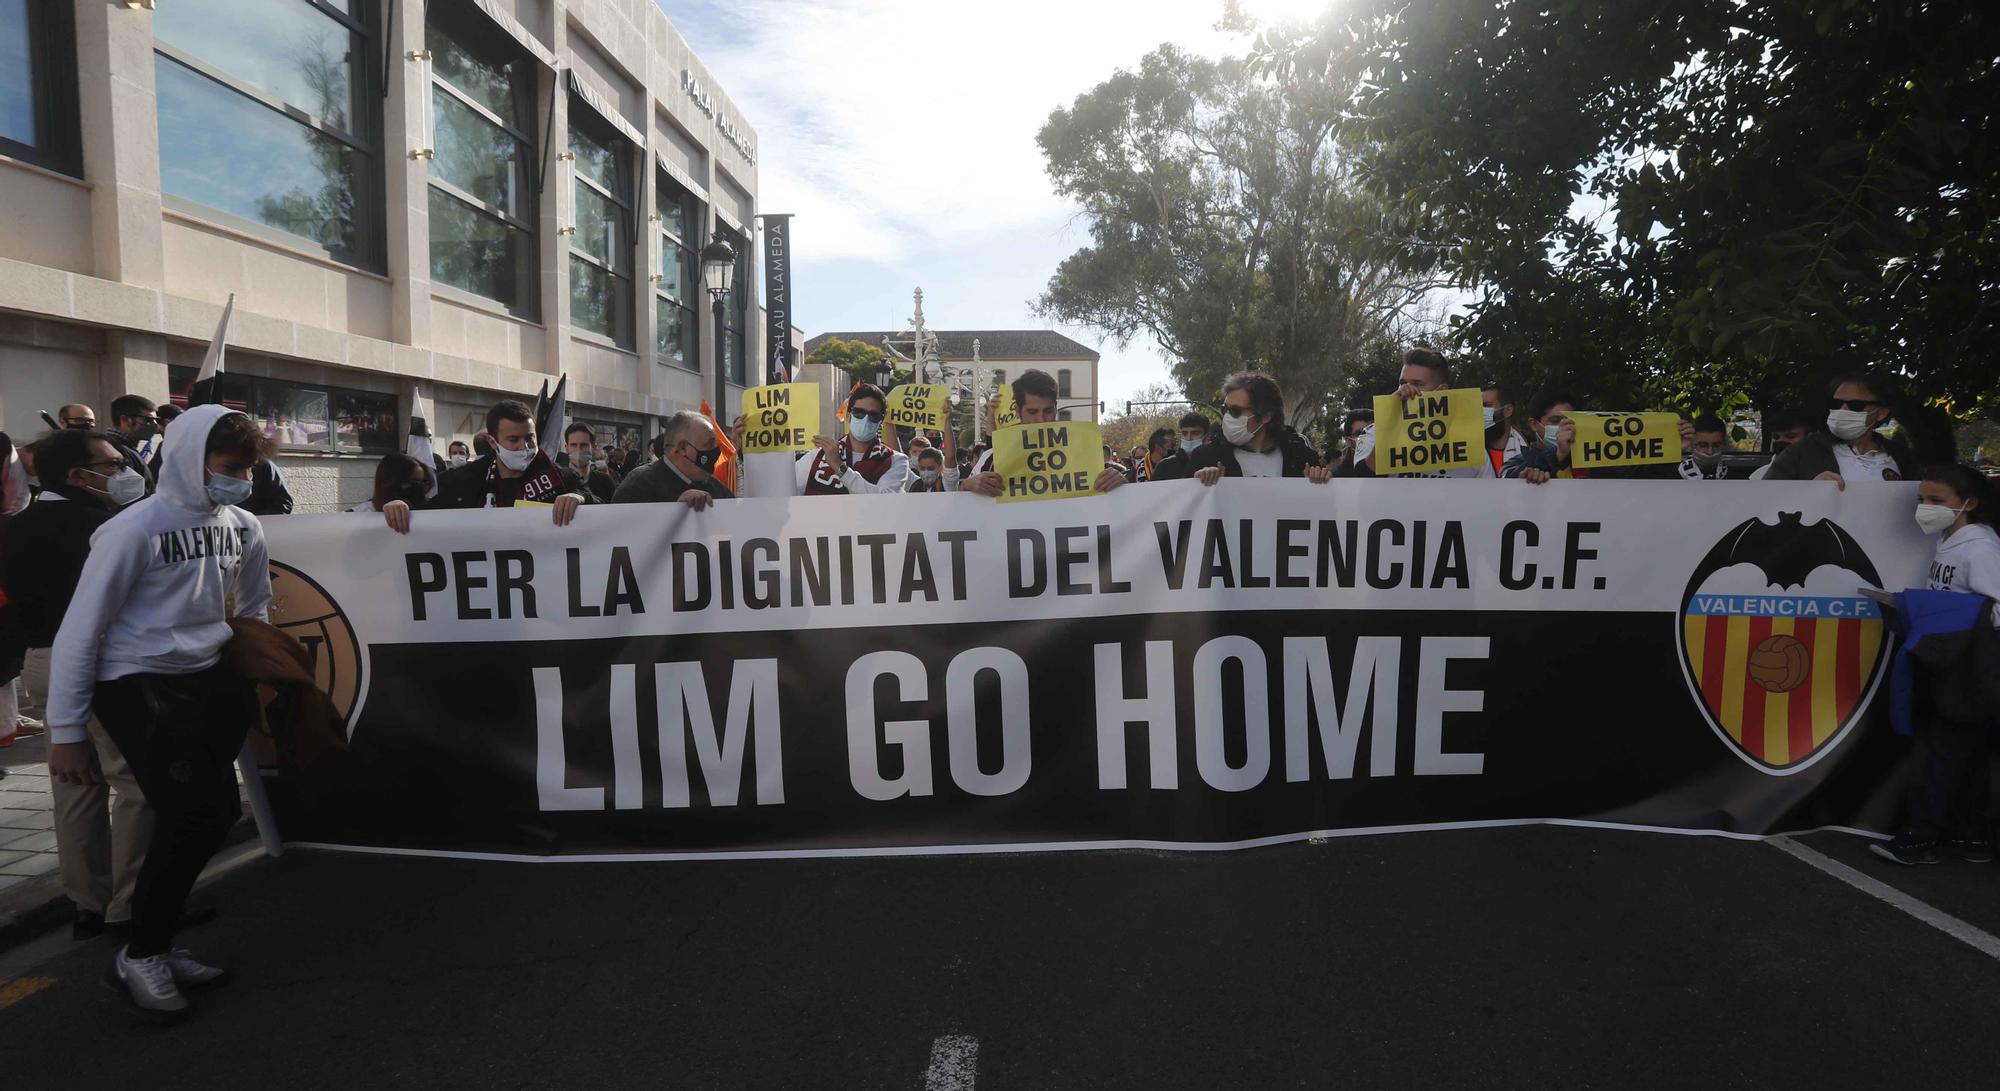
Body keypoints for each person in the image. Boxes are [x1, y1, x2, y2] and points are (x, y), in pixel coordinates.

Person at [48, 405, 273, 1016]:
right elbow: (80, 631)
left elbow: (254, 606)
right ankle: (141, 953)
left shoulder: (244, 524)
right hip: (137, 683)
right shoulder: (132, 530)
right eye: (231, 467)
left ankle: (154, 943)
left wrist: (258, 673)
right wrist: (65, 730)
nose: (242, 479)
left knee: (209, 815)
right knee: (194, 815)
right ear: (190, 459)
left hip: (209, 679)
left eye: (249, 468)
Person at [0, 429, 154, 940]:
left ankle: (87, 902)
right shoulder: (104, 527)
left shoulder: (17, 526)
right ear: (77, 476)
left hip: (41, 661)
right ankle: (132, 905)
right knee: (134, 783)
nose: (124, 473)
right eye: (111, 465)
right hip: (99, 661)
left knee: (75, 784)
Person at [1870, 465, 2000, 866]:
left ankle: (1921, 835)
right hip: (1948, 660)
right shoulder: (1949, 541)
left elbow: (1996, 608)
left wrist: (1941, 613)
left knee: (1940, 753)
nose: (1925, 507)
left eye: (1936, 500)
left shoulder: (1980, 549)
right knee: (1966, 754)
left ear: (1968, 503)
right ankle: (1970, 836)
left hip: (1967, 667)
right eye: (1921, 499)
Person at [965, 371, 1126, 495]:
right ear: (1018, 411)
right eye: (1033, 412)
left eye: (1048, 411)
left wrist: (1121, 483)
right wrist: (967, 486)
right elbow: (961, 503)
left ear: (1056, 408)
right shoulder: (993, 456)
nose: (1041, 419)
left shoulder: (1082, 451)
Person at [432, 400, 588, 525]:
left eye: (529, 438)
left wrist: (579, 497)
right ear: (493, 442)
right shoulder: (467, 480)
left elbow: (595, 504)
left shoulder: (558, 477)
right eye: (514, 440)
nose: (524, 446)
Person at [1353, 347, 1495, 479]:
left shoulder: (1470, 443)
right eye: (1402, 383)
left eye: (1418, 384)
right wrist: (1390, 426)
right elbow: (1362, 481)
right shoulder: (1374, 433)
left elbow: (1490, 492)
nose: (1406, 390)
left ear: (1442, 391)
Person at [1764, 374, 1917, 486]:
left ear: (1881, 412)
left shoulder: (1901, 457)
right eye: (1836, 404)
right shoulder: (1800, 454)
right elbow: (1765, 499)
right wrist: (1809, 489)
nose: (1843, 410)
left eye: (1856, 405)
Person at [1187, 371, 1322, 485]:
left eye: (1235, 411)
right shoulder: (1205, 458)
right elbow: (1187, 502)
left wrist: (1322, 482)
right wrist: (1199, 484)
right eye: (1225, 409)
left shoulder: (1302, 460)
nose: (1227, 417)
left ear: (1266, 415)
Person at [797, 384, 911, 495]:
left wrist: (839, 467)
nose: (866, 419)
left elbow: (886, 501)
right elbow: (788, 491)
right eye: (859, 412)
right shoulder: (817, 456)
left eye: (873, 415)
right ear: (848, 416)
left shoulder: (895, 460)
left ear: (881, 422)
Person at [612, 411, 733, 510]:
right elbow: (624, 528)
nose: (716, 451)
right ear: (683, 448)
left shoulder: (716, 487)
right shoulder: (639, 485)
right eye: (709, 445)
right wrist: (675, 512)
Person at [360, 452, 435, 534]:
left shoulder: (431, 509)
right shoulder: (361, 514)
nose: (418, 488)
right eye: (412, 482)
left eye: (423, 482)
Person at [106, 395, 161, 486]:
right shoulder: (117, 451)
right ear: (125, 419)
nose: (155, 426)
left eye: (156, 420)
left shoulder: (124, 447)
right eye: (148, 420)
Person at [1480, 382, 1529, 477]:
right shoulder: (1468, 452)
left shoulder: (1528, 454)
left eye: (1486, 405)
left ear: (1508, 410)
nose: (1481, 411)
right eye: (1478, 407)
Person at [564, 423, 618, 504]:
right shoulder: (558, 481)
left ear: (593, 447)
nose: (579, 450)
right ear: (566, 448)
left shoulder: (606, 482)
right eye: (573, 445)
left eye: (584, 445)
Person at [1148, 414, 1209, 482]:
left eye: (1195, 433)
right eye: (1184, 433)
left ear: (1207, 437)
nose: (1189, 438)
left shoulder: (1215, 463)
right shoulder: (1164, 466)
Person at [1328, 410, 1374, 475]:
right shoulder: (1339, 477)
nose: (1369, 438)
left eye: (1373, 431)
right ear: (1348, 441)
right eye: (1360, 433)